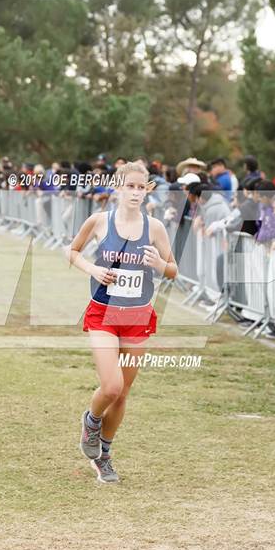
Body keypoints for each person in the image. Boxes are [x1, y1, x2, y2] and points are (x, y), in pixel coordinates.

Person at [66, 161, 178, 483]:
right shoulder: (100, 221)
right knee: (111, 386)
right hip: (104, 314)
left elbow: (173, 270)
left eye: (141, 188)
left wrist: (159, 263)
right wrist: (93, 270)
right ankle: (91, 420)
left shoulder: (154, 227)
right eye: (130, 186)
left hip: (137, 317)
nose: (135, 193)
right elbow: (72, 252)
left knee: (124, 392)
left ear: (147, 192)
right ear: (118, 187)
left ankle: (105, 455)